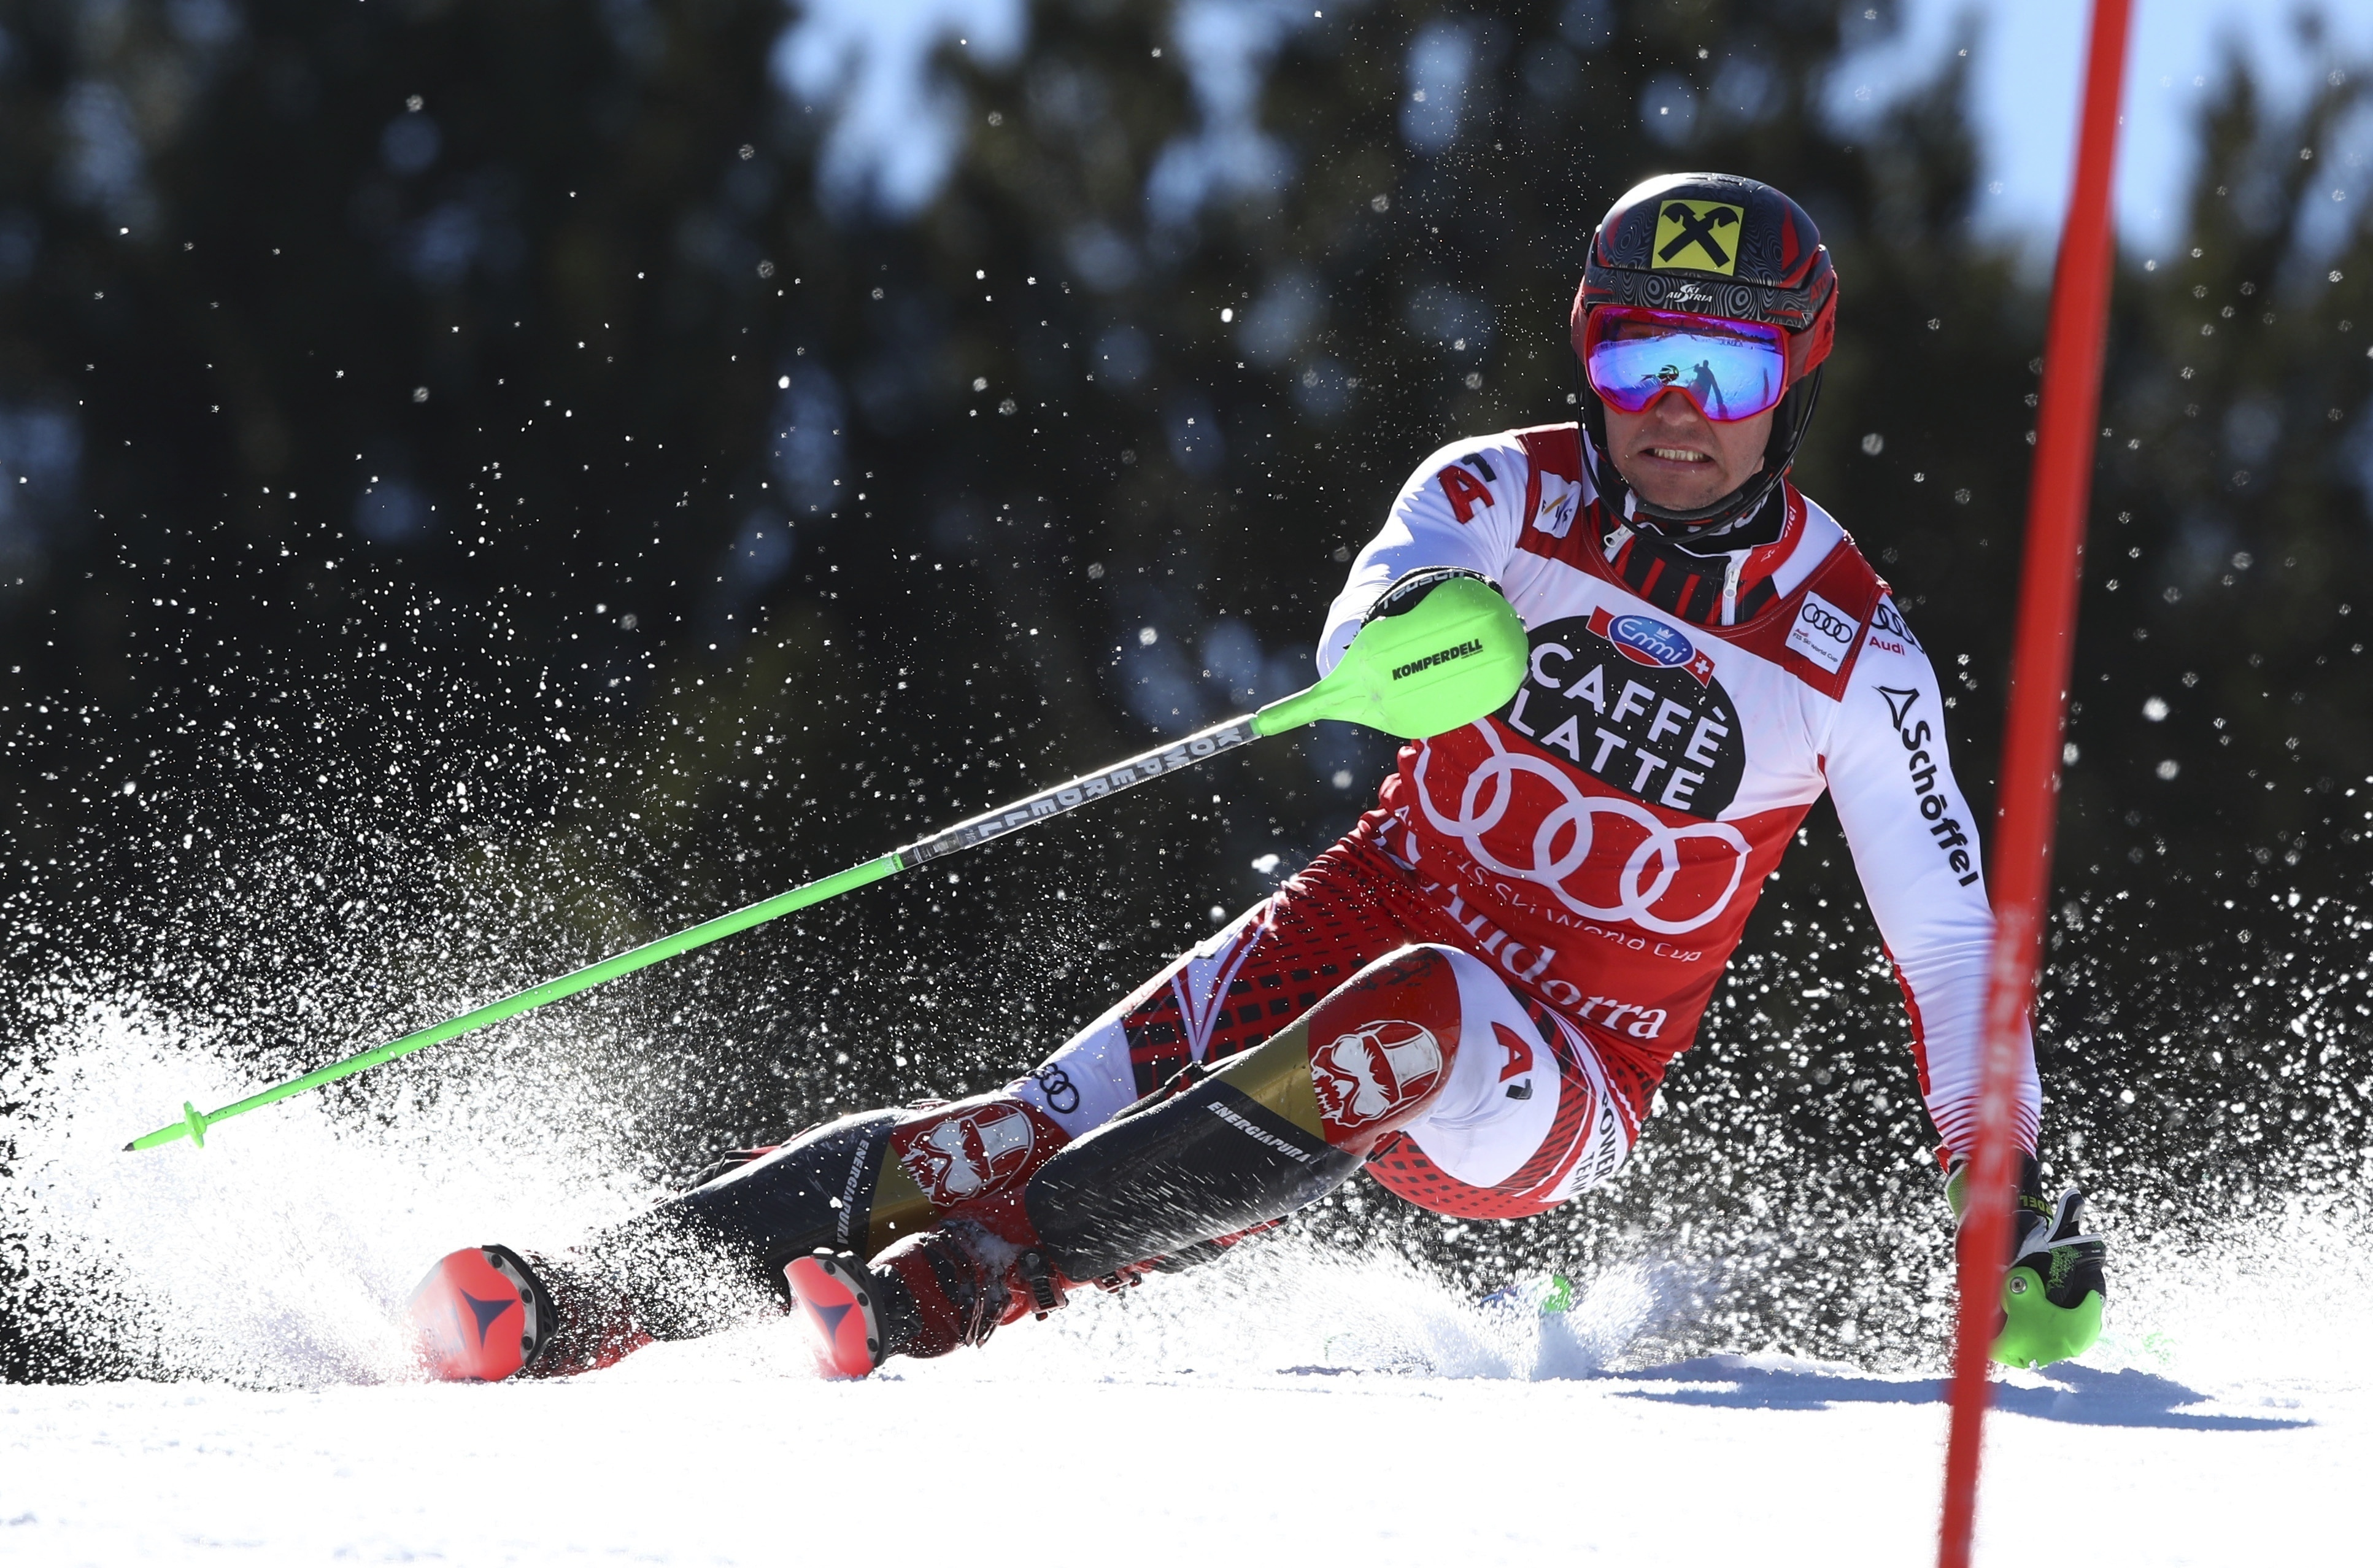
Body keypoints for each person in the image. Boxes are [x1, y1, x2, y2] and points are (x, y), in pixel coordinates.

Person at [407, 172, 2107, 1384]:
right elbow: (1360, 618)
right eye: (1633, 358)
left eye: (1722, 369)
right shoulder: (1501, 497)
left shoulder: (1845, 645)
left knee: (1429, 997)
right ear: (1585, 357)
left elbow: (1950, 942)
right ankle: (594, 1289)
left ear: (1786, 385)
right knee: (1020, 1117)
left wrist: (2000, 1164)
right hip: (1351, 917)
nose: (1673, 408)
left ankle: (997, 1276)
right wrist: (1402, 636)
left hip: (1559, 1069)